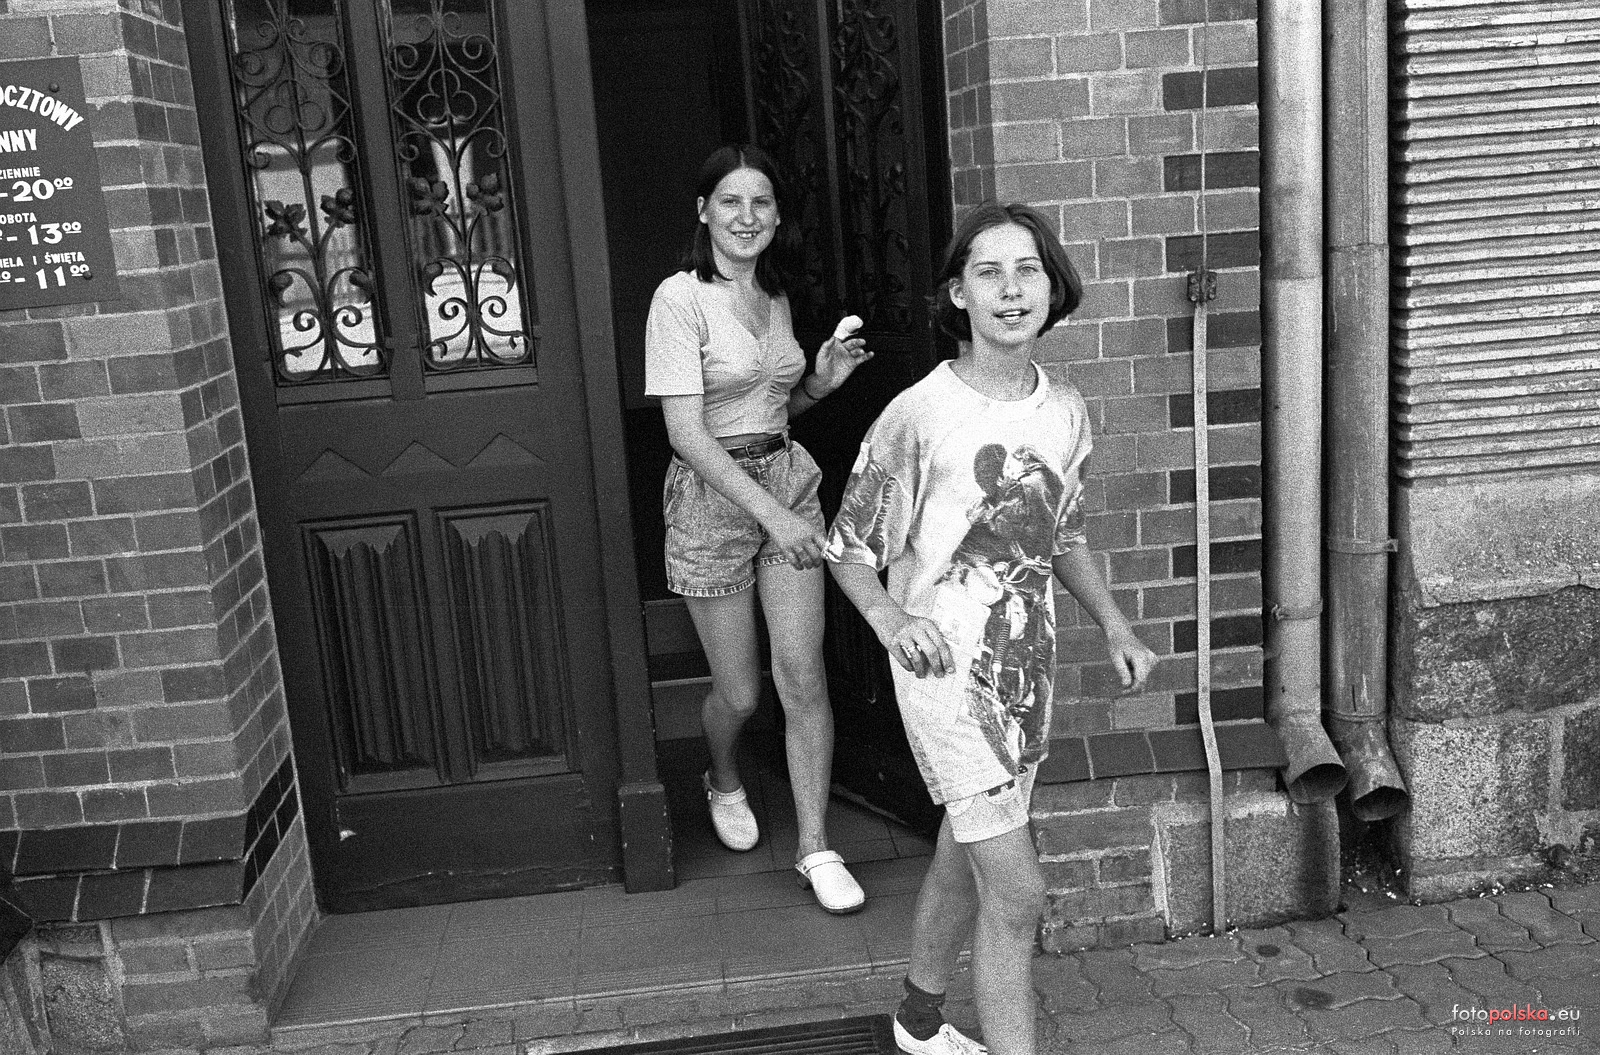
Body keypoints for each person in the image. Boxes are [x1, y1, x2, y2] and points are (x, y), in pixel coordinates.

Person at [825, 203, 1158, 1055]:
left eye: (1027, 270)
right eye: (989, 273)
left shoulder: (1065, 410)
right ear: (958, 295)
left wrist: (1115, 624)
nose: (1011, 291)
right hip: (945, 677)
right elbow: (849, 546)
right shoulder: (919, 414)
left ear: (1051, 287)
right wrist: (892, 619)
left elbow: (1063, 534)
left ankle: (918, 1021)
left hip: (1023, 671)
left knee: (961, 850)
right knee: (1017, 893)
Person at [644, 144, 873, 914]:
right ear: (703, 210)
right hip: (711, 500)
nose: (747, 216)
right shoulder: (678, 298)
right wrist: (769, 513)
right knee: (740, 693)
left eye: (762, 202)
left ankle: (815, 845)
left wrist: (822, 380)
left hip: (786, 477)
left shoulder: (774, 295)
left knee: (802, 674)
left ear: (777, 216)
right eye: (731, 201)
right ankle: (723, 774)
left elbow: (775, 408)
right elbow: (687, 432)